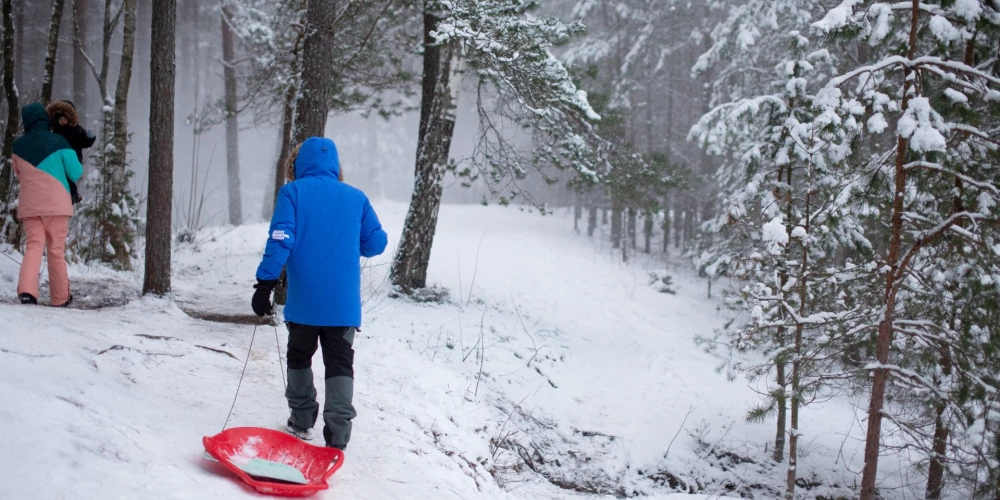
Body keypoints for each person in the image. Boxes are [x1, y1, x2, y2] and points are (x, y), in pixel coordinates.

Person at [252, 136, 388, 450]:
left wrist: (265, 283)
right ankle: (338, 434)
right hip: (343, 305)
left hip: (305, 302)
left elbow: (281, 239)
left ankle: (301, 421)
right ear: (335, 166)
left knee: (300, 357)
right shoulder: (356, 197)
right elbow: (376, 244)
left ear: (297, 165)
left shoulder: (293, 192)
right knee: (340, 362)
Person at [13, 103, 84, 306]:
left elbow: (18, 173)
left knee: (34, 247)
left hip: (30, 205)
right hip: (57, 204)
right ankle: (60, 298)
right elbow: (76, 173)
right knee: (55, 250)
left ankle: (27, 291)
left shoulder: (18, 145)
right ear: (46, 120)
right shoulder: (60, 141)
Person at [46, 100, 95, 204]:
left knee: (68, 177)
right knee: (62, 177)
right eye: (60, 118)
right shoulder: (56, 132)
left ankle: (73, 194)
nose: (62, 121)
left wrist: (90, 138)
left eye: (65, 118)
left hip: (74, 159)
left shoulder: (77, 130)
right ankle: (70, 196)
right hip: (59, 160)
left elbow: (85, 143)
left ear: (70, 118)